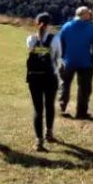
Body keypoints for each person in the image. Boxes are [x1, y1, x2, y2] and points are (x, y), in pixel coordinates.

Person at [57, 6, 93, 119]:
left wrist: (62, 56)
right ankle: (81, 112)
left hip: (68, 60)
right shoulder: (91, 29)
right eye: (88, 14)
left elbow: (60, 42)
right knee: (84, 87)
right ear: (83, 15)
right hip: (85, 61)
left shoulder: (66, 26)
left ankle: (62, 106)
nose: (90, 15)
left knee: (65, 83)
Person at [27, 13, 61, 152]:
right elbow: (58, 58)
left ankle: (39, 141)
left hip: (34, 77)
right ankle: (49, 133)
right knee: (49, 105)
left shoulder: (30, 39)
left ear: (37, 23)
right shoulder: (55, 39)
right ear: (49, 25)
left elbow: (31, 52)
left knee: (37, 109)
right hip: (49, 77)